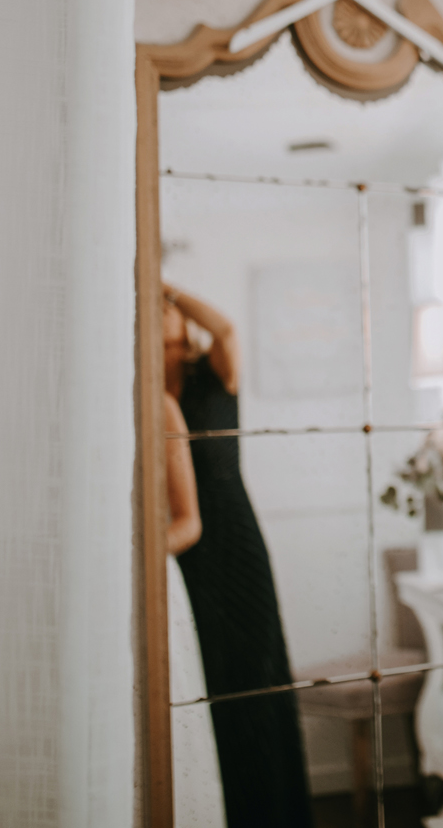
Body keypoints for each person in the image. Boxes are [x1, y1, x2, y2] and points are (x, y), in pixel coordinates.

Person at [164, 283, 313, 827]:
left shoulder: (215, 374)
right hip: (188, 547)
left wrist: (166, 288)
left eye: (166, 310)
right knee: (213, 675)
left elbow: (225, 328)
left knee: (257, 671)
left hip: (235, 536)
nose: (160, 315)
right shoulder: (146, 391)